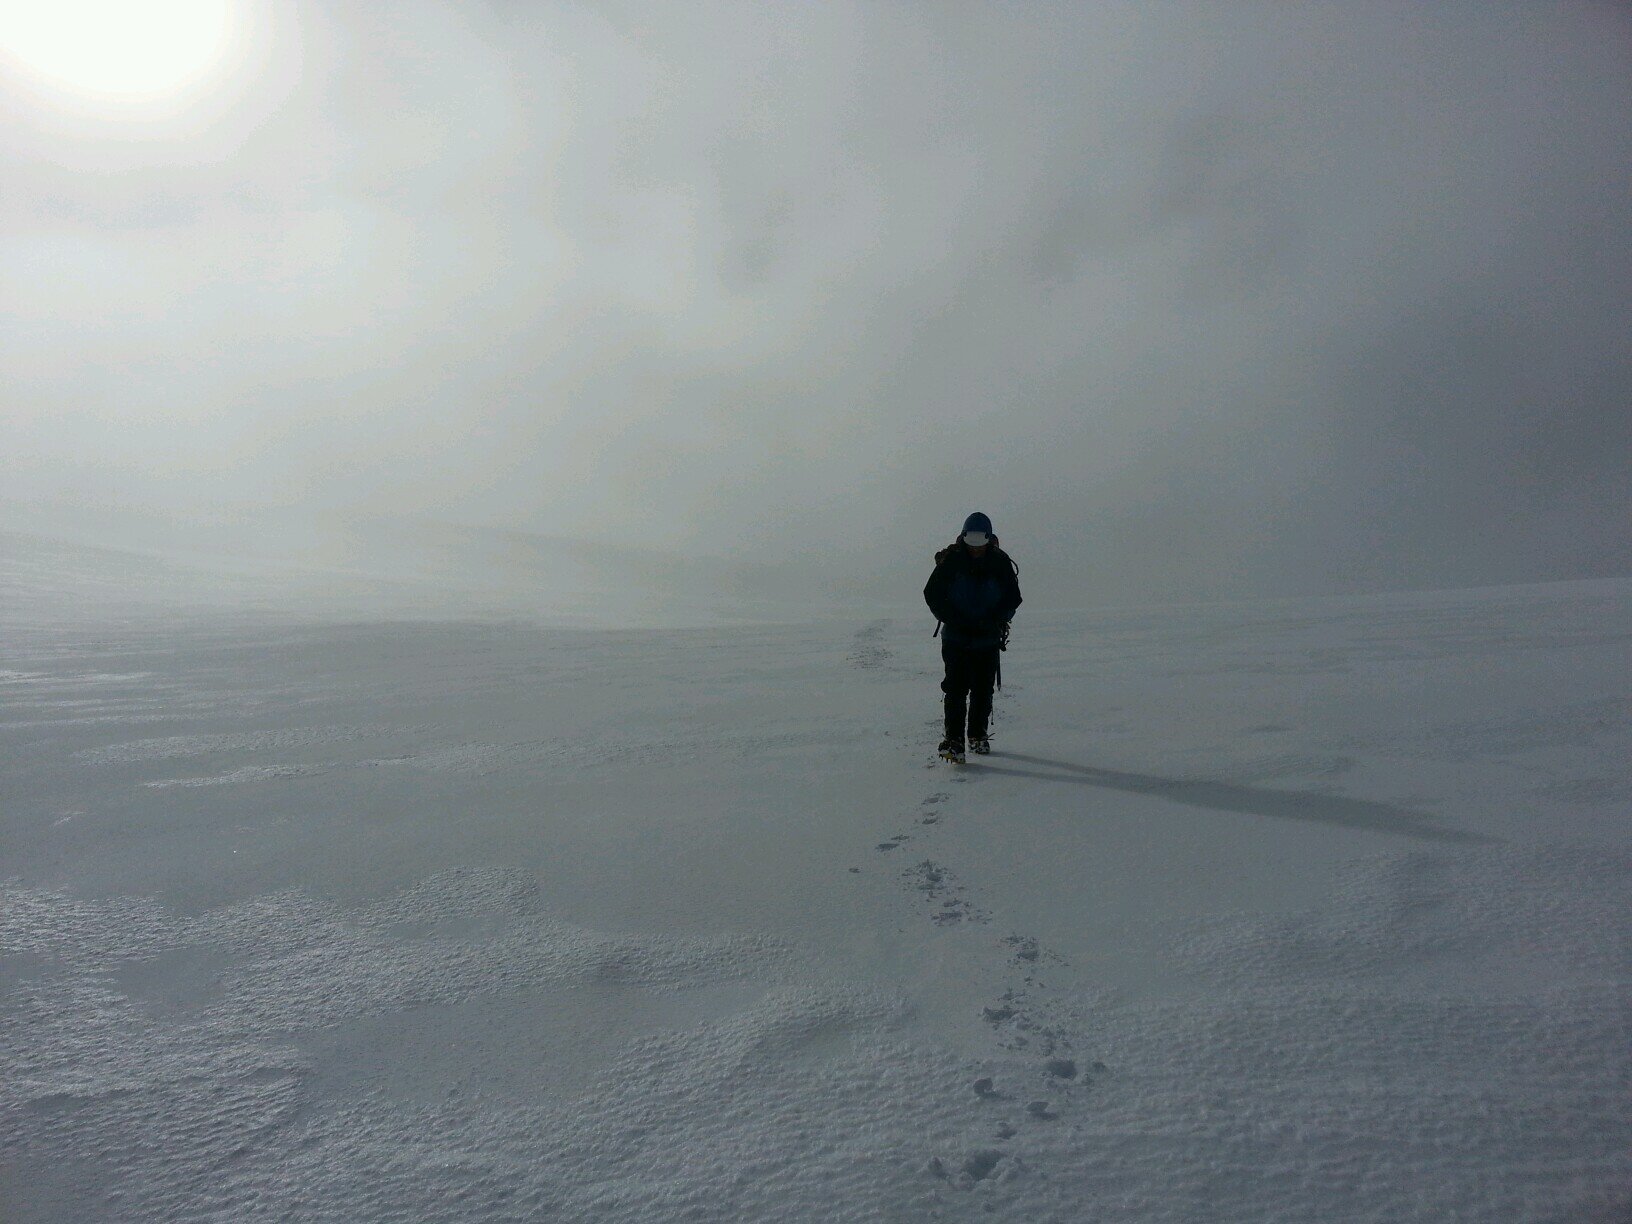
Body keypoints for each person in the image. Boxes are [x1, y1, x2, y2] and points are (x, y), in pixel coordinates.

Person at [923, 512, 1022, 762]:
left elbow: (1013, 598)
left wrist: (994, 620)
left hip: (987, 638)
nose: (976, 547)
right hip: (956, 637)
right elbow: (932, 593)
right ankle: (954, 740)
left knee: (982, 689)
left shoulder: (999, 563)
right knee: (955, 688)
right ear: (964, 537)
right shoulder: (952, 560)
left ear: (989, 538)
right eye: (971, 540)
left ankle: (977, 736)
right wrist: (953, 618)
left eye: (980, 541)